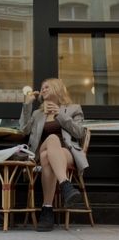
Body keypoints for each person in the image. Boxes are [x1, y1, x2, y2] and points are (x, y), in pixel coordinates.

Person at [19, 78, 89, 232]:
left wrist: (60, 114)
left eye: (46, 87)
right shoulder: (38, 113)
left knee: (46, 158)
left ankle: (47, 210)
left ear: (57, 89)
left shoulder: (73, 108)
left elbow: (79, 132)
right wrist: (27, 104)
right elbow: (23, 130)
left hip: (67, 152)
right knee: (51, 139)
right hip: (43, 148)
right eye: (42, 88)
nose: (42, 90)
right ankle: (65, 184)